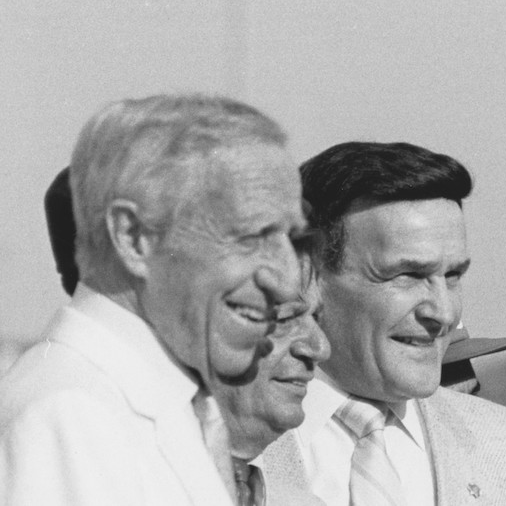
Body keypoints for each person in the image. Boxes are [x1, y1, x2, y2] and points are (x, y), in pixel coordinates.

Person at [0, 94, 308, 505]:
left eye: (289, 237)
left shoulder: (165, 403)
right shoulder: (70, 415)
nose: (288, 284)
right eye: (252, 237)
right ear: (134, 238)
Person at [260, 141, 506, 505]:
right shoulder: (218, 434)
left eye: (453, 275)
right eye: (408, 275)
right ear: (309, 274)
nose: (442, 312)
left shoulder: (505, 443)